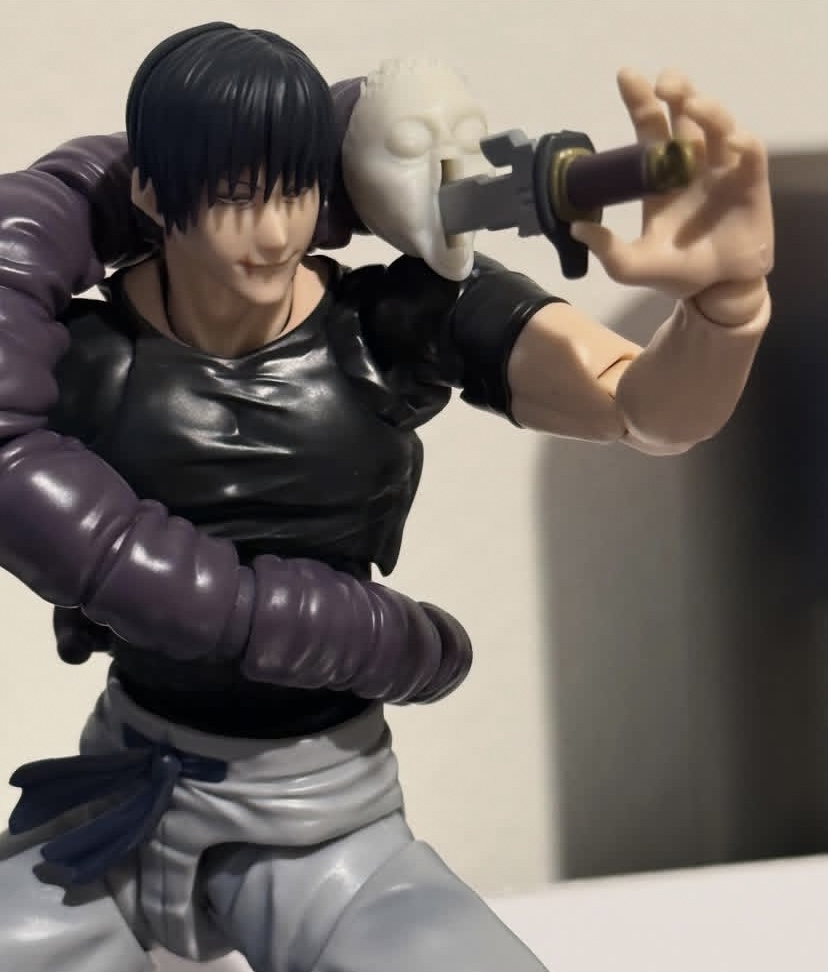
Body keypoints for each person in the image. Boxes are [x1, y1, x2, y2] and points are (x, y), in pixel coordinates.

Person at [0, 21, 773, 972]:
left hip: (324, 818)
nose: (273, 232)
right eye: (234, 195)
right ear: (154, 193)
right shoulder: (86, 359)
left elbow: (644, 408)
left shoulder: (391, 325)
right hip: (117, 797)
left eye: (292, 189)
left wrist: (725, 307)